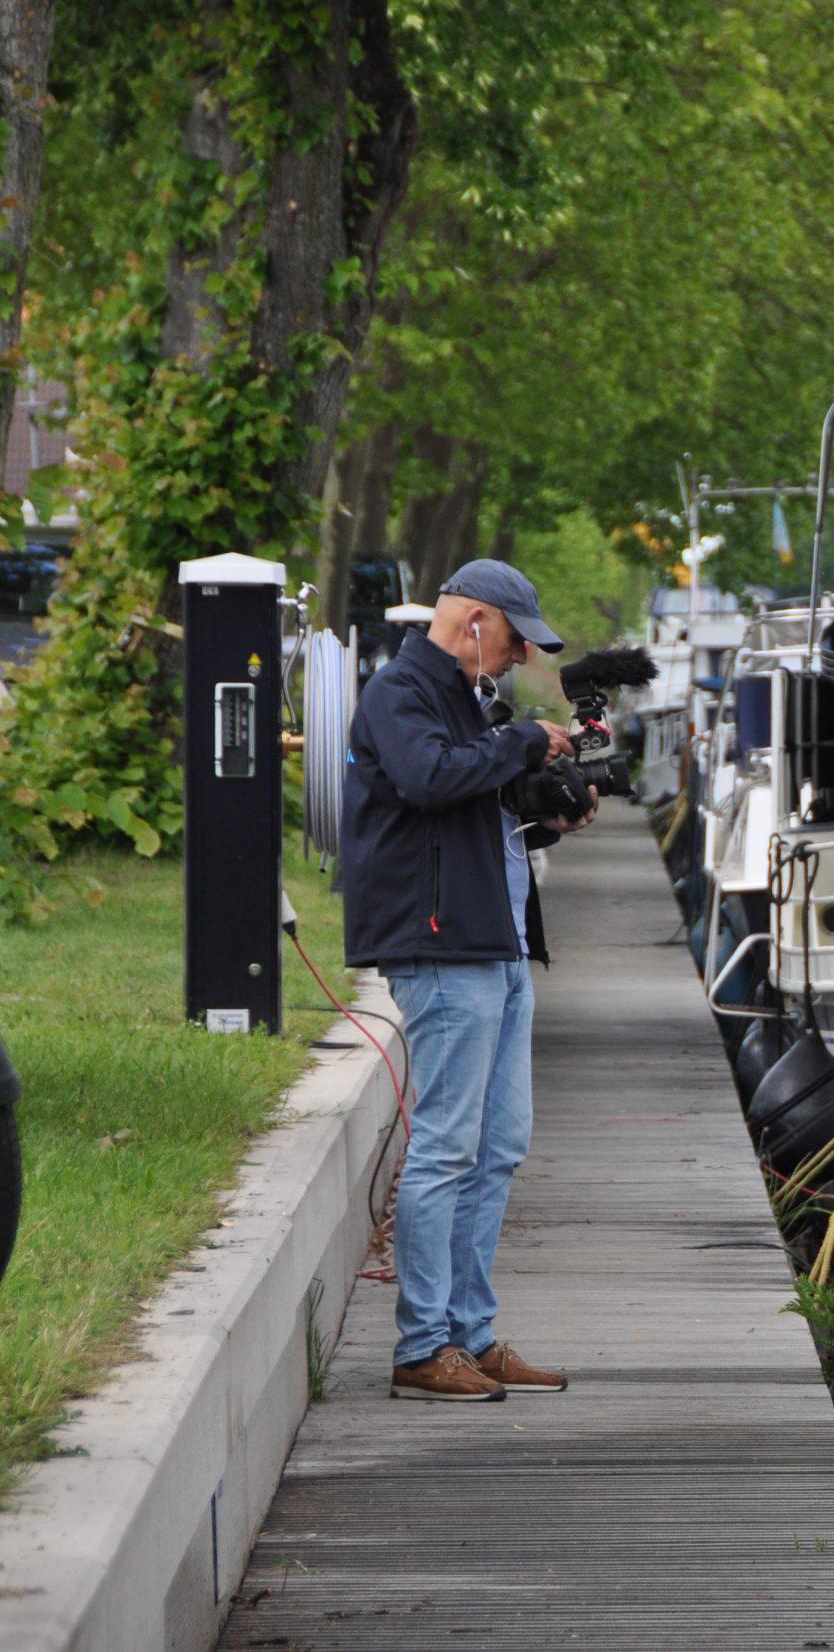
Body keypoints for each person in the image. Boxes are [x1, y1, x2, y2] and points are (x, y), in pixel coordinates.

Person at [341, 559, 595, 1402]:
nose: (521, 658)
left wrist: (550, 810)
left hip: (497, 944)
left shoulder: (467, 702)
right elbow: (426, 779)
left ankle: (471, 1335)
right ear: (478, 622)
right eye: (517, 641)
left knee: (498, 1146)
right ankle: (423, 1347)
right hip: (442, 947)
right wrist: (522, 741)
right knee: (448, 1146)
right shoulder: (401, 692)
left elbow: (473, 808)